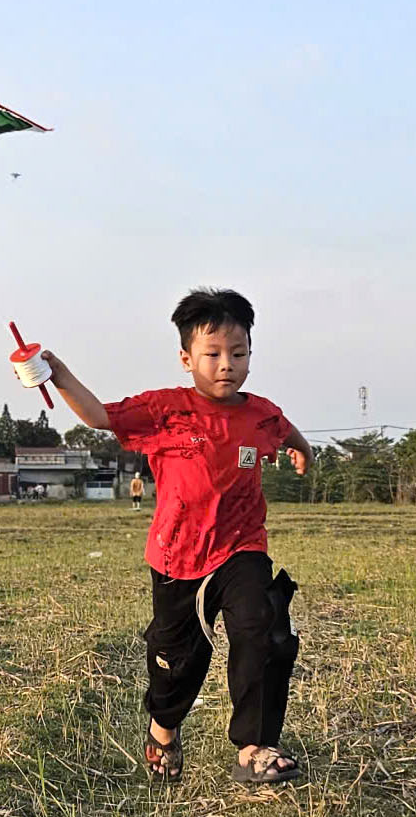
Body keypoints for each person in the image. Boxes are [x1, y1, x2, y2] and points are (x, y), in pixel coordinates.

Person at [41, 288, 316, 785]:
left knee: (263, 623)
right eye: (212, 355)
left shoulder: (261, 414)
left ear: (251, 355)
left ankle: (254, 745)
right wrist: (57, 372)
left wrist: (303, 451)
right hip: (177, 558)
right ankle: (163, 729)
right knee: (178, 664)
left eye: (238, 353)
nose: (226, 365)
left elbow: (286, 429)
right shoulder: (165, 409)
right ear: (187, 358)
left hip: (241, 546)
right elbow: (100, 416)